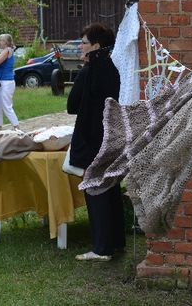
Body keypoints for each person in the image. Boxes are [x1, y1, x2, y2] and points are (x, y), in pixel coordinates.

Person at [67, 23, 125, 261]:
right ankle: (116, 241)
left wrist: (83, 73)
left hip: (91, 138)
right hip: (109, 137)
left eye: (83, 43)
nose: (80, 46)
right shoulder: (112, 68)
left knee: (95, 190)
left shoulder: (89, 71)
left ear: (96, 46)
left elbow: (72, 105)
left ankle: (101, 248)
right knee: (110, 189)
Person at [0, 33, 19, 130]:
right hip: (0, 82)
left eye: (0, 40)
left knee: (6, 106)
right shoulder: (3, 51)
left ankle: (17, 127)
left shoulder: (8, 50)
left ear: (5, 42)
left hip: (7, 82)